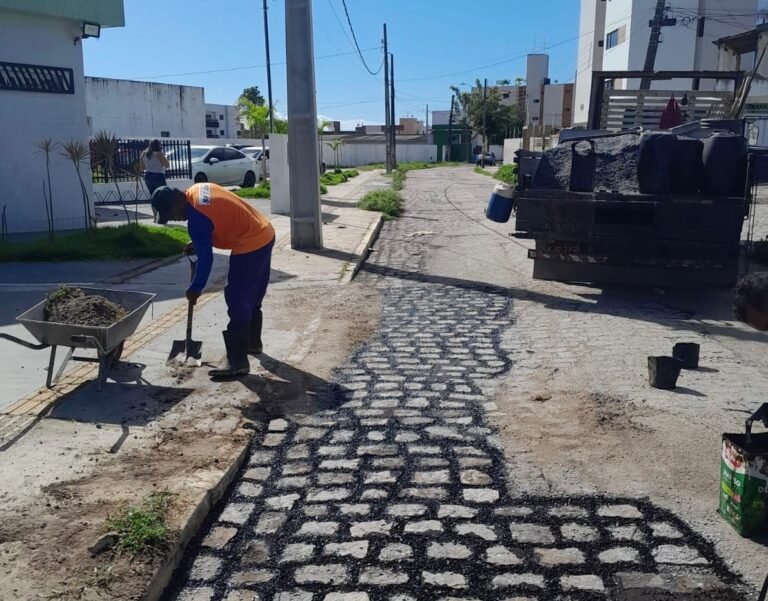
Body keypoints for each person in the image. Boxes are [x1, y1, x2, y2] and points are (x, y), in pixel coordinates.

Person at [151, 183, 275, 377]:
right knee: (252, 295)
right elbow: (217, 215)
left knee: (236, 297)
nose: (175, 219)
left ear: (178, 201)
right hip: (264, 231)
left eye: (172, 213)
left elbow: (206, 259)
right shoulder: (197, 190)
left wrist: (196, 288)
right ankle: (252, 342)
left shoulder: (196, 219)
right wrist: (201, 242)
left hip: (250, 241)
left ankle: (237, 361)